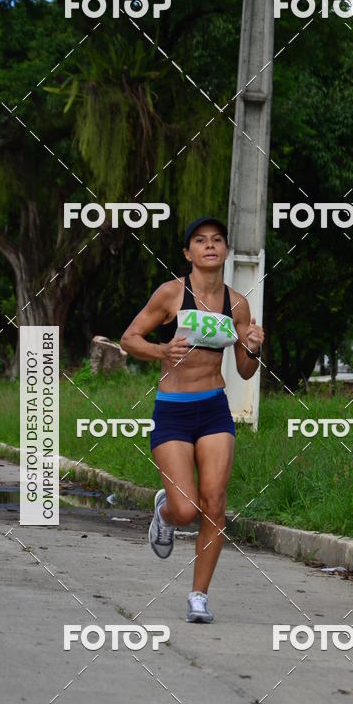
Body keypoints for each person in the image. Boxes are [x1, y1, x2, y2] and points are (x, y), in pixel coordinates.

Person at [120, 217, 264, 623]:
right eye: (200, 241)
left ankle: (198, 596)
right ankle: (165, 512)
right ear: (188, 253)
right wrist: (161, 352)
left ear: (226, 251)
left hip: (214, 408)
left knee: (215, 503)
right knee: (187, 510)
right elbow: (129, 338)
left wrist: (252, 347)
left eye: (217, 240)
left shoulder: (237, 304)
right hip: (173, 410)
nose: (209, 246)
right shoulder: (170, 293)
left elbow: (246, 370)